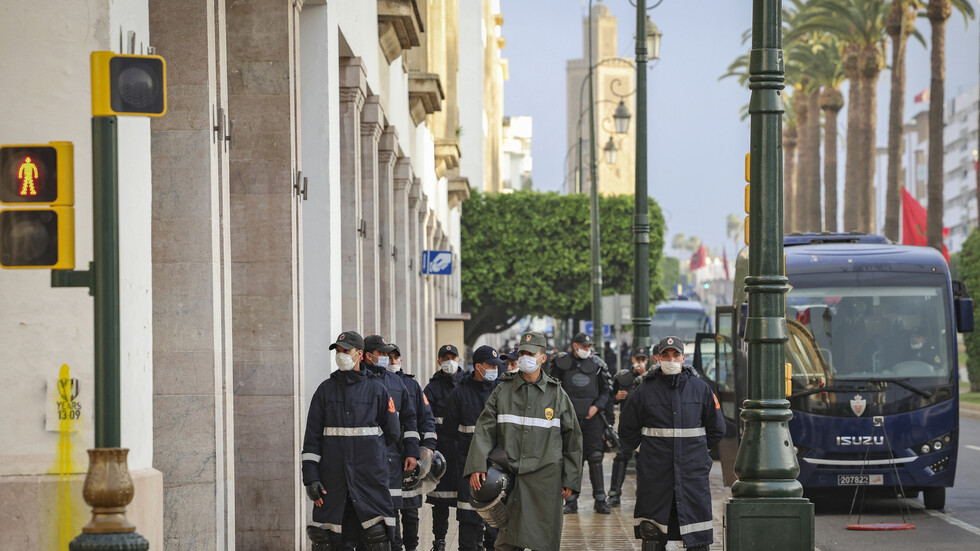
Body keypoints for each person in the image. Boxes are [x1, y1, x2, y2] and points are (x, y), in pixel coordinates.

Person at [464, 331, 583, 551]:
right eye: (522, 352)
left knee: (544, 540)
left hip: (546, 482)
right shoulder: (503, 391)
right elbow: (484, 429)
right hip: (511, 478)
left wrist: (571, 478)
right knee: (507, 541)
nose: (524, 357)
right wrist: (477, 465)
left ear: (543, 358)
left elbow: (573, 438)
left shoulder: (557, 395)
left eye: (530, 353)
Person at [619, 337, 725, 551]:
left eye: (675, 355)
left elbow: (717, 429)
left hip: (692, 473)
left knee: (697, 531)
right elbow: (627, 430)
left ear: (683, 358)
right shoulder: (643, 391)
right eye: (665, 355)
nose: (671, 359)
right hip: (655, 472)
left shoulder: (701, 389)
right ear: (657, 358)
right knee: (652, 532)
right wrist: (645, 451)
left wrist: (698, 453)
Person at [302, 331, 400, 551]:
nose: (340, 355)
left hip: (369, 481)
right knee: (328, 540)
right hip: (333, 483)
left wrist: (372, 459)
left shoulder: (377, 390)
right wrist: (310, 478)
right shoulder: (325, 391)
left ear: (360, 355)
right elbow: (312, 439)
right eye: (338, 351)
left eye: (346, 351)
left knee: (376, 538)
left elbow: (393, 433)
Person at [361, 335, 421, 547]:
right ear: (368, 355)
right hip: (363, 460)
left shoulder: (396, 382)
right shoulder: (358, 380)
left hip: (392, 459)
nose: (387, 358)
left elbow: (409, 419)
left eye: (389, 354)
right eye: (383, 353)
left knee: (391, 520)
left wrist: (413, 452)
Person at [444, 345, 503, 551]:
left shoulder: (502, 391)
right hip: (467, 467)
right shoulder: (460, 393)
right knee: (469, 520)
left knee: (495, 525)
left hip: (498, 466)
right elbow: (450, 429)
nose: (495, 369)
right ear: (478, 367)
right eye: (490, 366)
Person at [546, 332, 612, 514]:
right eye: (584, 346)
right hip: (569, 419)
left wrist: (596, 407)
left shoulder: (597, 365)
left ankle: (600, 500)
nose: (588, 350)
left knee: (596, 457)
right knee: (572, 458)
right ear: (575, 346)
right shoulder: (561, 364)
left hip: (593, 419)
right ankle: (571, 500)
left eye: (589, 347)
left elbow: (606, 392)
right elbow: (552, 388)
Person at [387, 343, 438, 551]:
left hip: (410, 456)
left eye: (394, 358)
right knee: (390, 508)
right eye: (387, 357)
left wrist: (428, 446)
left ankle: (411, 547)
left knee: (410, 509)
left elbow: (425, 418)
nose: (391, 362)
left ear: (401, 360)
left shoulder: (412, 386)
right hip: (388, 455)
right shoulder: (377, 382)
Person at [423, 344, 464, 551]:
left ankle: (470, 542)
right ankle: (439, 541)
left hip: (464, 451)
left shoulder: (468, 383)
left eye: (452, 357)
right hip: (441, 453)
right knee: (440, 502)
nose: (449, 361)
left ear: (459, 358)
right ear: (439, 361)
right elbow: (425, 418)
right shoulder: (432, 388)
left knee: (467, 502)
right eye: (444, 357)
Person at [606, 345, 650, 507]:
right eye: (637, 359)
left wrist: (644, 375)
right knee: (621, 458)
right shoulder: (623, 377)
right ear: (632, 359)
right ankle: (614, 494)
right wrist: (616, 397)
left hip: (645, 425)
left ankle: (644, 496)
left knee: (645, 461)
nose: (640, 362)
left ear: (647, 360)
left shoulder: (651, 377)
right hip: (627, 425)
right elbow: (610, 396)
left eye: (643, 359)